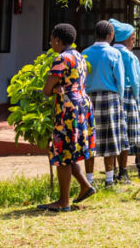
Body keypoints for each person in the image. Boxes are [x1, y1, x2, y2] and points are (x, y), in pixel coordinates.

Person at [38, 23, 96, 211]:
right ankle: (85, 186)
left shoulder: (61, 58)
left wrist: (54, 89)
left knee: (62, 152)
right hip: (82, 105)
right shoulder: (78, 56)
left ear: (57, 40)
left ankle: (63, 202)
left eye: (51, 39)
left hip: (67, 108)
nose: (50, 43)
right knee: (71, 151)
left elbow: (47, 90)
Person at [82, 20, 125, 189]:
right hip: (110, 98)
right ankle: (109, 180)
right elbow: (120, 81)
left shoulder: (85, 53)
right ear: (110, 35)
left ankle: (89, 180)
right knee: (111, 139)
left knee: (90, 139)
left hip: (89, 98)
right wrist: (119, 98)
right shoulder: (114, 53)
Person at [110, 19, 140, 181]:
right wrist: (139, 96)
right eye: (133, 35)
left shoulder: (110, 52)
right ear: (128, 37)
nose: (135, 38)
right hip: (130, 96)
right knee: (139, 134)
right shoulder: (129, 56)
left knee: (117, 136)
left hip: (114, 95)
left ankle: (116, 171)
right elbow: (136, 79)